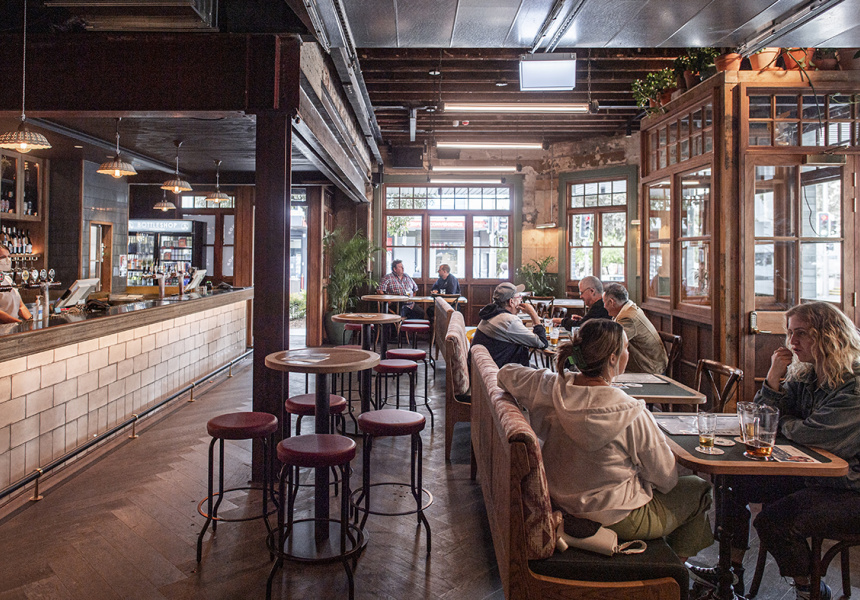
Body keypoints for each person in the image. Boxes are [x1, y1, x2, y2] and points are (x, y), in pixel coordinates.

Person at [497, 319, 713, 560]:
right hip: (618, 519)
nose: (628, 353)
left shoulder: (551, 388)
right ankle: (673, 569)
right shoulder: (631, 412)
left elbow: (505, 374)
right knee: (698, 488)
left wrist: (554, 378)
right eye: (626, 348)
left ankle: (669, 565)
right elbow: (666, 479)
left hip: (560, 503)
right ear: (612, 358)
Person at [687, 302, 860, 600]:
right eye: (790, 333)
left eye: (801, 333)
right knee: (732, 481)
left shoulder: (853, 382)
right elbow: (761, 420)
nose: (792, 342)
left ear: (829, 335)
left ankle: (811, 590)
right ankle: (730, 572)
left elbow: (816, 435)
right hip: (812, 475)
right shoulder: (807, 373)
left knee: (774, 521)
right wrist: (772, 377)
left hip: (848, 487)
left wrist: (782, 423)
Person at [471, 282, 547, 367]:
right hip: (504, 371)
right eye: (519, 297)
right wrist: (533, 313)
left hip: (487, 367)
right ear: (511, 302)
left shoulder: (490, 314)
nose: (521, 300)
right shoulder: (508, 321)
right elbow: (542, 343)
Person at [603, 282, 667, 374]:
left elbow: (612, 344)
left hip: (650, 368)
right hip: (647, 364)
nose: (604, 306)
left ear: (611, 302)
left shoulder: (628, 317)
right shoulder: (629, 309)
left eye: (604, 302)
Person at [0, 245, 31, 324]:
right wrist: (18, 322)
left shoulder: (8, 279)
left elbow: (21, 306)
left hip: (12, 327)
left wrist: (31, 321)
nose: (7, 260)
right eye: (2, 257)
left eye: (9, 256)